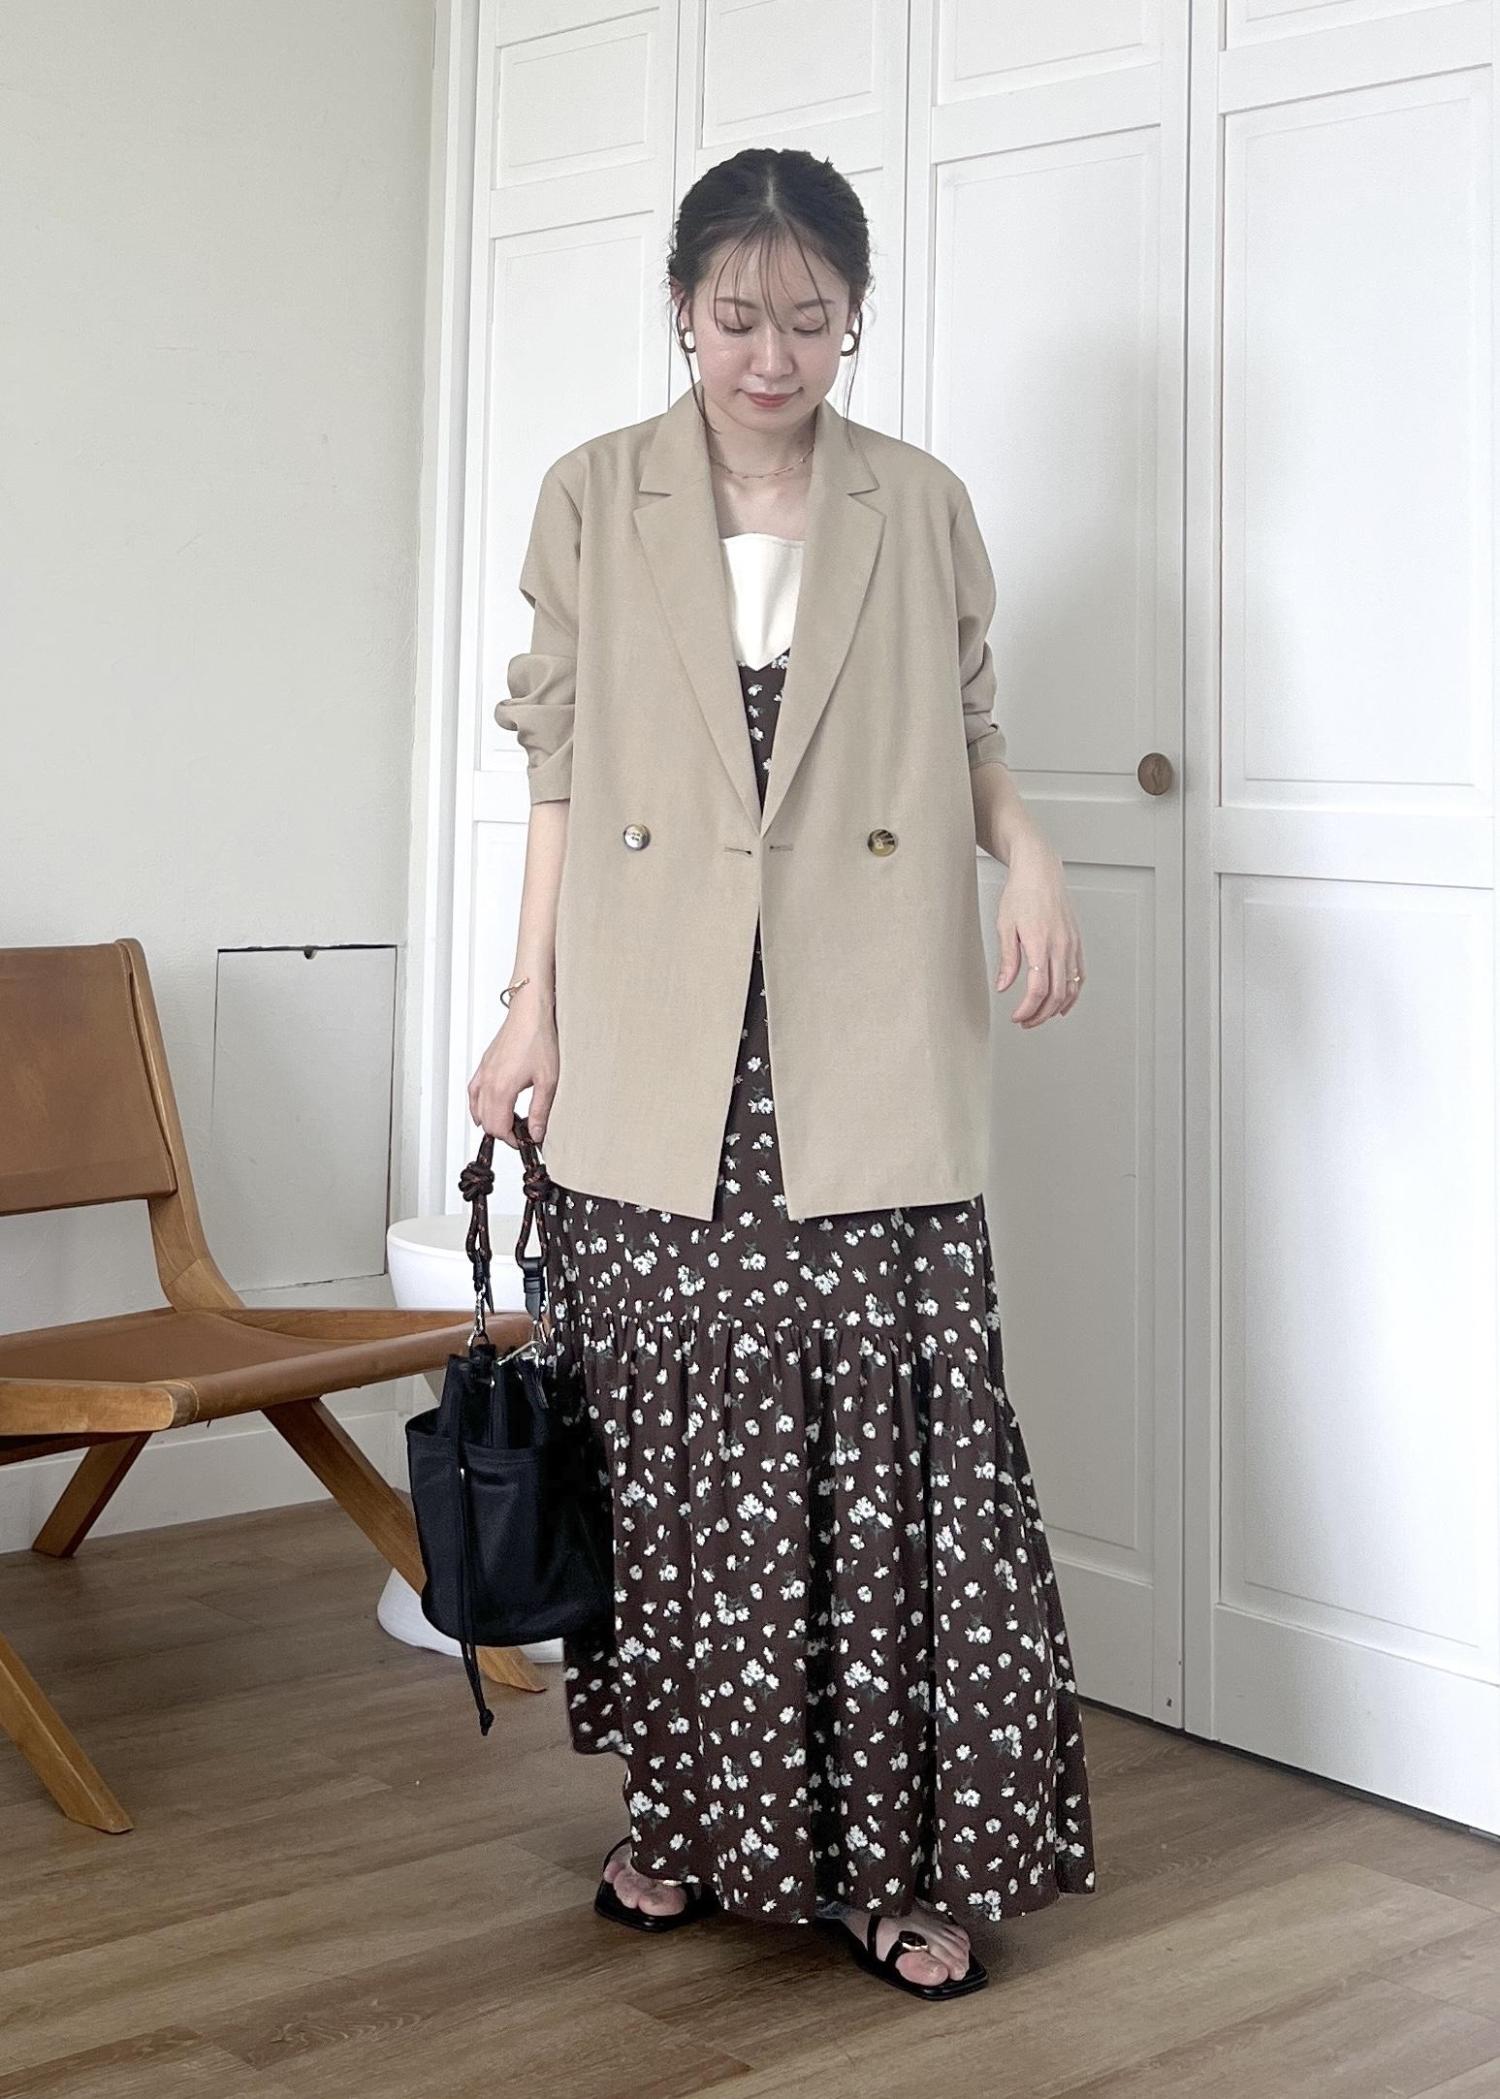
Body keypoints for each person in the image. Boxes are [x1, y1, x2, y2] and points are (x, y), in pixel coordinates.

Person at [469, 147, 1096, 2002]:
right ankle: (686, 1821)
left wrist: (1032, 851)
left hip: (865, 1020)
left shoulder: (919, 502)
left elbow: (972, 733)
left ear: (855, 319)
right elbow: (558, 775)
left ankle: (899, 1861)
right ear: (682, 306)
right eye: (738, 317)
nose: (771, 356)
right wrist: (528, 1002)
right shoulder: (595, 495)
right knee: (672, 1449)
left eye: (811, 321)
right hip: (659, 1021)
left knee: (893, 1449)